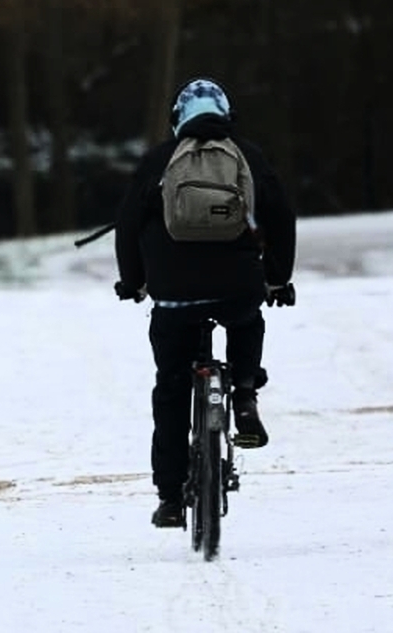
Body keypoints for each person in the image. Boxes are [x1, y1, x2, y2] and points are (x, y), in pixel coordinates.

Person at [113, 77, 297, 529]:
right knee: (246, 318)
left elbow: (127, 227)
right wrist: (277, 280)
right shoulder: (248, 156)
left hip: (173, 296)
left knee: (172, 391)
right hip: (238, 286)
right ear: (226, 116)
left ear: (178, 119)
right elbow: (280, 218)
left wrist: (133, 282)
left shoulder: (159, 161)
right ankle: (246, 393)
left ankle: (172, 499)